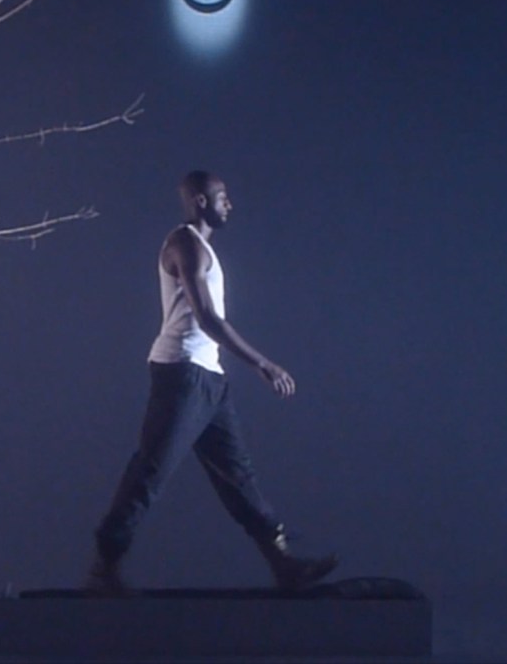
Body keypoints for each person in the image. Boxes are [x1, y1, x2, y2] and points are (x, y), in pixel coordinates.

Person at [87, 170, 339, 595]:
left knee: (238, 476)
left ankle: (284, 565)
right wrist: (263, 364)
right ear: (200, 201)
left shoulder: (202, 249)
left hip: (209, 378)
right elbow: (206, 318)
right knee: (151, 470)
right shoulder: (184, 243)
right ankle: (103, 569)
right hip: (182, 373)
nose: (229, 204)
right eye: (222, 197)